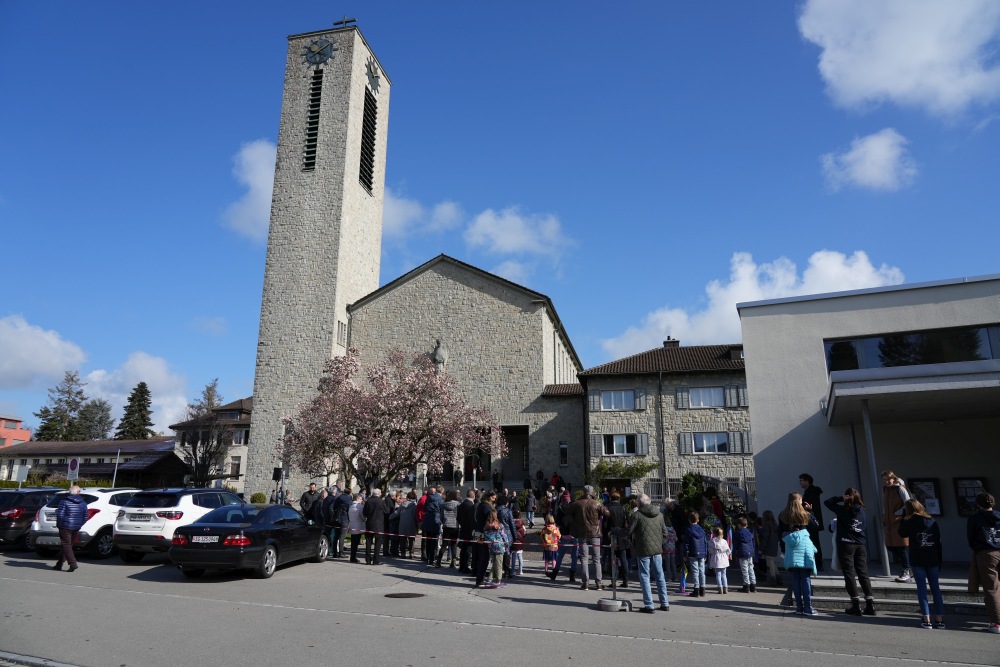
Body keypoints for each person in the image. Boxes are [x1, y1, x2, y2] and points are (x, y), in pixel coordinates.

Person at [825, 489, 877, 616]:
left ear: (847, 497)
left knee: (849, 573)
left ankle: (855, 604)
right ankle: (870, 604)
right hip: (860, 544)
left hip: (846, 543)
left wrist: (841, 498)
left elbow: (827, 502)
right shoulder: (862, 512)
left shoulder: (843, 510)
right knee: (863, 573)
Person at [899, 498, 944, 629]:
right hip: (932, 557)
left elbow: (901, 533)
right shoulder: (932, 521)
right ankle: (939, 620)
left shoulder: (910, 522)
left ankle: (926, 619)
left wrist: (903, 518)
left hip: (917, 557)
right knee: (935, 588)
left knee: (922, 589)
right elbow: (938, 541)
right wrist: (939, 559)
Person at [628, 493, 670, 613]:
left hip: (643, 549)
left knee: (645, 577)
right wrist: (660, 543)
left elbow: (628, 531)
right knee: (660, 576)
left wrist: (615, 531)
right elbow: (665, 533)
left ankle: (649, 605)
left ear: (639, 503)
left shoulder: (637, 515)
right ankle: (665, 603)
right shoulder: (659, 514)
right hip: (657, 550)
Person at [564, 484, 609, 591]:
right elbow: (607, 513)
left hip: (582, 533)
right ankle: (598, 583)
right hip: (595, 533)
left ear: (583, 492)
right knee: (596, 559)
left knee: (584, 558)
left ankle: (585, 583)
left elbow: (566, 510)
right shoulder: (597, 503)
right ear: (592, 493)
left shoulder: (577, 503)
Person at [967, 491, 1000, 634]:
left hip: (986, 552)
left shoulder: (975, 518)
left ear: (978, 504)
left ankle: (996, 622)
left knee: (991, 588)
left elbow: (971, 537)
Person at [882, 470, 913, 583]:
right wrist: (885, 516)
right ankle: (909, 569)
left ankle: (906, 570)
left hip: (899, 521)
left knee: (900, 547)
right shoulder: (886, 490)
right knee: (891, 546)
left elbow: (908, 503)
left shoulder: (900, 488)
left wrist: (898, 513)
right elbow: (886, 506)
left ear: (893, 478)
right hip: (890, 522)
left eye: (888, 479)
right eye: (884, 480)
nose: (886, 482)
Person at [783, 520, 819, 616]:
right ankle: (807, 607)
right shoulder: (805, 536)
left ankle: (799, 607)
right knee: (806, 580)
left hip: (793, 563)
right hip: (804, 563)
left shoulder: (788, 537)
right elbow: (812, 550)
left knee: (795, 580)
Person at [52, 485, 88, 572]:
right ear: (78, 492)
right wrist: (79, 524)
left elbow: (60, 515)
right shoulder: (83, 503)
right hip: (76, 527)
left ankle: (73, 563)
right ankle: (59, 564)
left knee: (66, 545)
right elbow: (85, 517)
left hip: (65, 526)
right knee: (68, 545)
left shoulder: (64, 501)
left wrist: (59, 525)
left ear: (69, 492)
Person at [603, 490, 631, 588]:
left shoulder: (608, 508)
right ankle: (625, 580)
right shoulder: (623, 508)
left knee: (612, 559)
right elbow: (628, 522)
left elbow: (605, 523)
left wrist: (605, 534)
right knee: (623, 559)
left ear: (611, 498)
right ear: (619, 498)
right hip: (622, 535)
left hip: (611, 535)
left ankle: (613, 580)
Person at [799, 473, 825, 571]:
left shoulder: (811, 492)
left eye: (801, 480)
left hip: (811, 521)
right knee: (814, 542)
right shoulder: (810, 491)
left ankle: (818, 563)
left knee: (814, 542)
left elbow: (811, 508)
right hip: (812, 521)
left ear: (807, 481)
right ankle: (817, 563)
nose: (800, 482)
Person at [680, 510, 708, 597]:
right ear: (698, 520)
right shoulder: (702, 530)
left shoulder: (688, 530)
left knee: (695, 571)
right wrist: (706, 553)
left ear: (689, 520)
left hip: (693, 552)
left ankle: (696, 589)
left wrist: (685, 554)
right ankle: (703, 588)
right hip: (702, 552)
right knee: (702, 571)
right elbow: (705, 542)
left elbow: (686, 543)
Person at [482, 510, 509, 588]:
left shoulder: (487, 526)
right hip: (500, 547)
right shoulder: (499, 526)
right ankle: (498, 580)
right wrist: (507, 544)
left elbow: (486, 536)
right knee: (499, 565)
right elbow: (504, 536)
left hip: (492, 547)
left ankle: (489, 579)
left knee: (494, 564)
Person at [363, 488, 389, 565]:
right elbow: (387, 511)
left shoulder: (368, 501)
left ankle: (368, 559)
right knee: (377, 543)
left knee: (368, 542)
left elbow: (364, 512)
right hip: (378, 525)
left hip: (369, 524)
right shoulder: (381, 502)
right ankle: (376, 560)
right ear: (379, 494)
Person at [391, 491, 418, 558]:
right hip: (411, 525)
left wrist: (390, 517)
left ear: (407, 497)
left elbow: (397, 513)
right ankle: (411, 553)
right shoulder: (415, 506)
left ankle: (403, 553)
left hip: (402, 524)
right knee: (411, 540)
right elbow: (416, 516)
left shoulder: (402, 505)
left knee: (402, 540)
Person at [733, 516, 756, 593]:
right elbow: (752, 542)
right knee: (751, 568)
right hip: (750, 552)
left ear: (739, 525)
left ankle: (746, 585)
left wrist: (735, 553)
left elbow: (736, 544)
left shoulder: (738, 533)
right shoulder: (749, 532)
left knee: (744, 569)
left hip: (742, 552)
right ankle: (753, 585)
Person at [759, 510, 782, 586]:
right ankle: (778, 577)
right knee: (772, 562)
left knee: (770, 563)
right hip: (774, 545)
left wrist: (761, 548)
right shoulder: (774, 524)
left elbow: (764, 538)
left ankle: (773, 578)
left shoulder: (766, 525)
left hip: (768, 546)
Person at [456, 489, 477, 572]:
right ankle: (465, 566)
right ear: (473, 496)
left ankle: (462, 566)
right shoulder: (471, 506)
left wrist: (462, 524)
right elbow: (472, 519)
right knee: (468, 549)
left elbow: (458, 518)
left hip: (463, 529)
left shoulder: (461, 504)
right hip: (469, 530)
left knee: (463, 548)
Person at [708, 527, 731, 594]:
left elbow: (710, 551)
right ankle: (725, 588)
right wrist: (726, 554)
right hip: (724, 558)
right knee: (724, 574)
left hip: (716, 558)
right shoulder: (724, 541)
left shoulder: (712, 541)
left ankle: (720, 588)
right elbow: (728, 551)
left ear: (714, 533)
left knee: (718, 575)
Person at [330, 488, 352, 558]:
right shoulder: (349, 499)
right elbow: (350, 509)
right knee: (342, 536)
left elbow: (334, 507)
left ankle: (335, 552)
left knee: (336, 536)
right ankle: (341, 552)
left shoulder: (338, 498)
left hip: (337, 518)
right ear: (350, 493)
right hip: (345, 519)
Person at [348, 493, 366, 563]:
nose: (361, 500)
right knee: (356, 543)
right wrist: (365, 519)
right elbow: (363, 517)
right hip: (358, 527)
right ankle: (353, 558)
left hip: (352, 526)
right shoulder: (360, 507)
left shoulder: (351, 506)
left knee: (353, 543)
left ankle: (352, 557)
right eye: (361, 499)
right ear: (357, 499)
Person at [511, 508, 526, 576]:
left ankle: (512, 571)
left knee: (513, 556)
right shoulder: (521, 523)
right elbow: (525, 532)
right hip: (520, 541)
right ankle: (520, 570)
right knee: (520, 556)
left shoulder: (511, 522)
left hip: (513, 540)